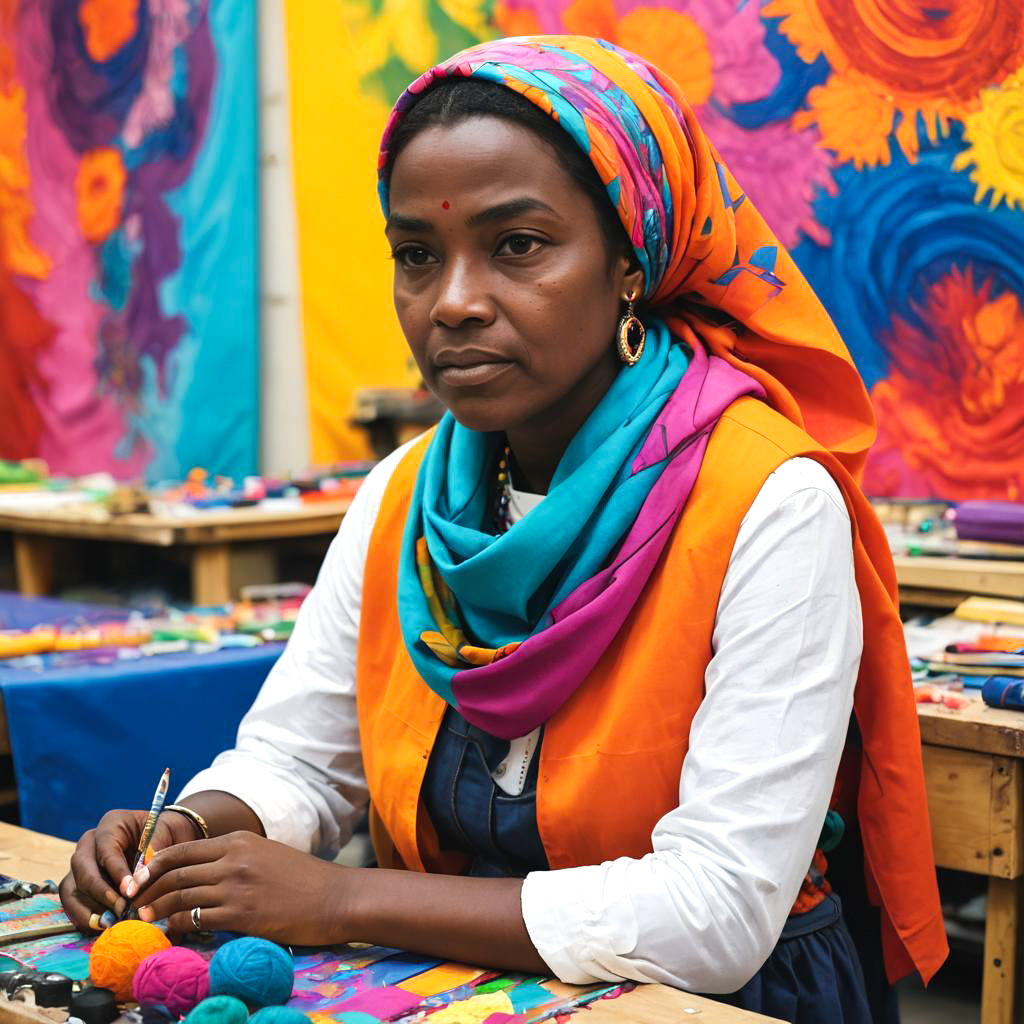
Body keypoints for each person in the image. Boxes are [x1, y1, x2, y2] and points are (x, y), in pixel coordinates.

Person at [60, 36, 948, 1022]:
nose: (453, 302)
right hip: (461, 986)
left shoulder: (767, 502)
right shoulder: (405, 495)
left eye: (517, 245)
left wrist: (345, 896)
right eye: (415, 256)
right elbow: (302, 761)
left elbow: (717, 911)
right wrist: (188, 830)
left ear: (627, 260)